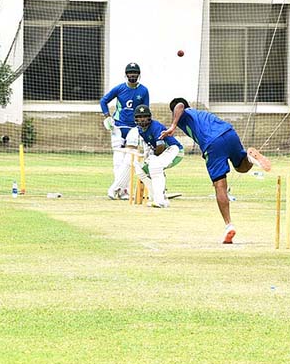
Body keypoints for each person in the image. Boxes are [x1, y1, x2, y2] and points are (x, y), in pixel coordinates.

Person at [160, 98, 271, 243]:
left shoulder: (184, 114)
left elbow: (179, 106)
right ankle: (249, 158)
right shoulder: (200, 113)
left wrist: (173, 125)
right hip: (229, 133)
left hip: (212, 143)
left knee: (220, 185)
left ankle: (229, 225)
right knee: (241, 167)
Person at [100, 62, 149, 200]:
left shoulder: (144, 91)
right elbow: (103, 101)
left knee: (130, 158)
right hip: (118, 126)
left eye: (135, 73)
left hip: (134, 126)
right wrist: (107, 117)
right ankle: (122, 191)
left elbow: (145, 110)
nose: (132, 76)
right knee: (118, 160)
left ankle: (117, 189)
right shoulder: (120, 88)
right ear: (126, 74)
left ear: (139, 75)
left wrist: (143, 126)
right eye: (130, 73)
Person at [133, 105, 184, 209]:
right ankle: (158, 197)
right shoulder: (140, 130)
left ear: (149, 117)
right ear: (135, 119)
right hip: (162, 153)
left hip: (174, 150)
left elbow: (161, 146)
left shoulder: (156, 127)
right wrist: (148, 158)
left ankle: (160, 201)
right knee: (140, 170)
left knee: (155, 166)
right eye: (139, 117)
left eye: (145, 117)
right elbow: (148, 146)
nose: (142, 119)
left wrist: (153, 158)